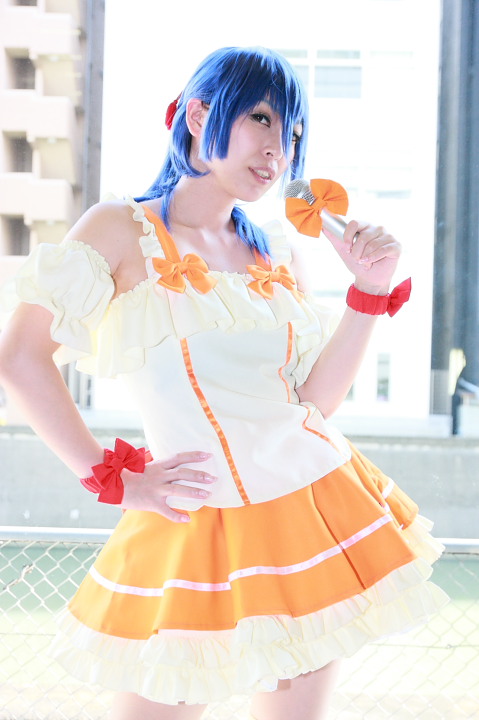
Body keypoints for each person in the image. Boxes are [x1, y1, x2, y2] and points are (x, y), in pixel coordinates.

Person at [0, 46, 448, 720]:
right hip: (191, 522)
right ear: (198, 115)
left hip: (308, 511)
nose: (277, 149)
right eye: (261, 118)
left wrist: (368, 290)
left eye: (291, 133)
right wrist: (112, 479)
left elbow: (311, 403)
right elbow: (21, 357)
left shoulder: (275, 250)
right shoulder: (120, 229)